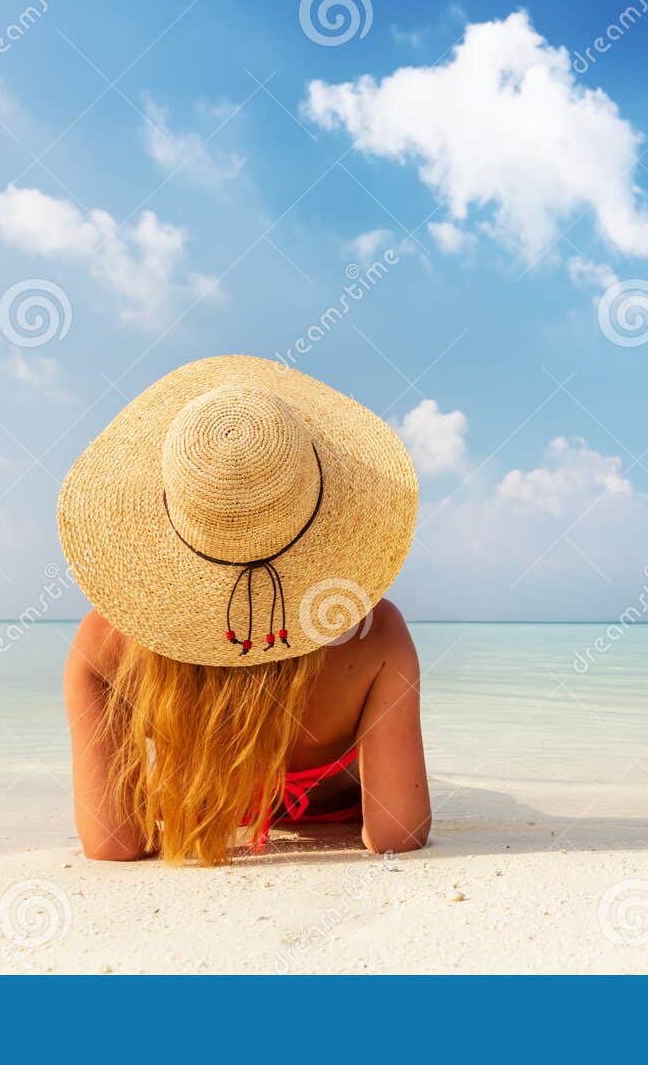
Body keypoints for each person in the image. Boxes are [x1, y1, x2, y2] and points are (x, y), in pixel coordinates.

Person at [56, 355, 428, 863]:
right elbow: (397, 834)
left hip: (204, 807)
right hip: (332, 806)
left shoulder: (105, 642)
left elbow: (112, 843)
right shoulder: (372, 634)